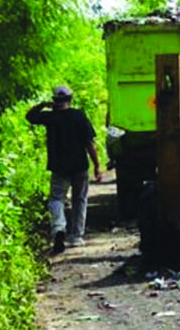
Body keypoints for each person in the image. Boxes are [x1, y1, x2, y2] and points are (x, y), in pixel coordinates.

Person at [26, 86, 102, 253]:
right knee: (79, 200)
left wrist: (43, 105)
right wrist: (97, 165)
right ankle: (76, 237)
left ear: (54, 100)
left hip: (59, 167)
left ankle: (59, 228)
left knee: (56, 199)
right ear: (70, 99)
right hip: (79, 166)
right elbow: (90, 143)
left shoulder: (50, 117)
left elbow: (30, 117)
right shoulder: (79, 116)